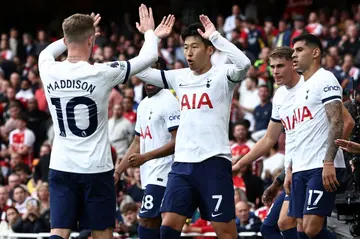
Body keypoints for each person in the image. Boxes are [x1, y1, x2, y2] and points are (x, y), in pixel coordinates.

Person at [38, 5, 169, 239]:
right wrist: (150, 33)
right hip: (96, 168)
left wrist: (77, 32)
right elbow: (149, 57)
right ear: (92, 41)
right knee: (102, 232)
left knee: (58, 231)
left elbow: (49, 49)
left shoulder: (47, 67)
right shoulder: (102, 72)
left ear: (66, 40)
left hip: (61, 165)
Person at [129, 14, 251, 239]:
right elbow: (139, 70)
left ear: (210, 50)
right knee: (167, 228)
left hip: (214, 163)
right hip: (183, 166)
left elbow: (244, 63)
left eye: (195, 47)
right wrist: (152, 37)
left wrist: (215, 36)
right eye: (185, 47)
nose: (189, 53)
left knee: (225, 232)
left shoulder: (223, 76)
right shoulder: (179, 77)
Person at [232, 46, 354, 239]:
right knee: (284, 226)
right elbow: (270, 139)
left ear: (293, 64)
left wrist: (331, 153)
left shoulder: (313, 84)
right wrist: (241, 164)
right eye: (272, 67)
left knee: (307, 228)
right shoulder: (280, 95)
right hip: (296, 168)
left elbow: (346, 121)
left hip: (319, 165)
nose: (275, 71)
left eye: (280, 66)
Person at [285, 34, 347, 239]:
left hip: (320, 165)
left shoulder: (326, 78)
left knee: (312, 228)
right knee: (301, 228)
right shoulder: (299, 88)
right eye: (293, 51)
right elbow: (296, 132)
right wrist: (290, 168)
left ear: (315, 52)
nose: (293, 55)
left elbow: (337, 122)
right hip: (301, 166)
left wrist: (329, 161)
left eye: (299, 50)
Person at [115, 63, 180, 238]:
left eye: (154, 72)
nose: (149, 78)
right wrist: (118, 171)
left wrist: (146, 157)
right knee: (156, 223)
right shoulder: (143, 104)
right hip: (149, 173)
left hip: (166, 171)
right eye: (146, 73)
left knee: (146, 219)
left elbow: (178, 140)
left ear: (162, 74)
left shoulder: (170, 101)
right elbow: (137, 141)